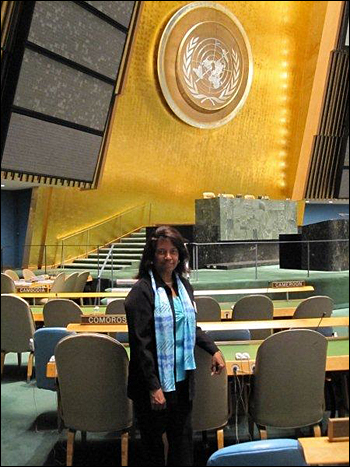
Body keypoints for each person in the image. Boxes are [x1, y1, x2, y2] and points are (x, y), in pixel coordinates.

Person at [125, 225, 225, 466]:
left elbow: (190, 328)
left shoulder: (183, 287)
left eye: (173, 251)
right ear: (152, 255)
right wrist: (153, 387)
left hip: (181, 383)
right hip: (154, 387)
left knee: (182, 444)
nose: (167, 257)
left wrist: (214, 349)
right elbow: (141, 345)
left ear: (180, 255)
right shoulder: (141, 292)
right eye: (161, 251)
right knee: (153, 449)